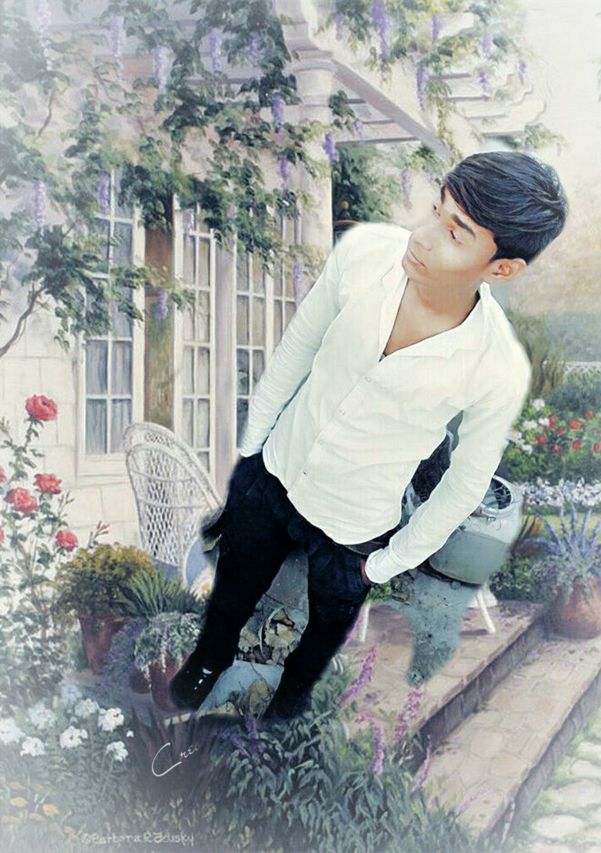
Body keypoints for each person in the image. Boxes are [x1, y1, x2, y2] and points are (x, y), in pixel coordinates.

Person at [169, 151, 568, 720]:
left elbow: (463, 486)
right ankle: (207, 663)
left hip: (354, 531)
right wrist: (251, 451)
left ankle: (285, 708)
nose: (423, 237)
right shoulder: (365, 255)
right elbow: (299, 345)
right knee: (233, 592)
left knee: (318, 640)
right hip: (277, 472)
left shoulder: (496, 367)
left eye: (455, 233)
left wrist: (385, 564)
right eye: (436, 211)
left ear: (501, 268)